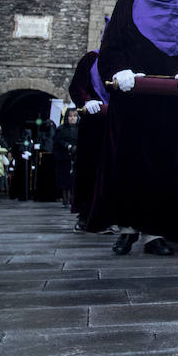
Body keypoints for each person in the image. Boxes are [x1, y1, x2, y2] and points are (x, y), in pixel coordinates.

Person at [87, 0, 178, 256]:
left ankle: (155, 233)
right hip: (131, 99)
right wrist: (118, 70)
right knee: (128, 162)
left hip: (168, 103)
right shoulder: (129, 1)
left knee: (163, 165)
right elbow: (111, 45)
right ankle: (127, 228)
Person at [67, 50, 107, 231]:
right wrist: (86, 100)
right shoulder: (92, 58)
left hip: (120, 121)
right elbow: (77, 85)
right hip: (93, 122)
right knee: (90, 167)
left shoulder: (130, 58)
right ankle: (86, 214)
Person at [53, 107, 79, 211]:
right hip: (64, 157)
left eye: (74, 116)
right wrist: (67, 146)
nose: (72, 118)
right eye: (70, 116)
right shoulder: (61, 129)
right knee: (65, 180)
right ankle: (65, 200)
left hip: (77, 156)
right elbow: (57, 141)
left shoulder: (80, 128)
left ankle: (75, 200)